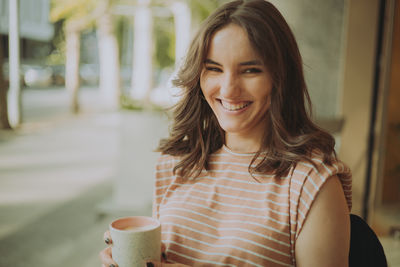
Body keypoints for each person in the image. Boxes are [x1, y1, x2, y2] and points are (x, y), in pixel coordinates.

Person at [100, 0, 352, 266]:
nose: (229, 89)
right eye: (214, 69)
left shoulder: (312, 183)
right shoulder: (175, 163)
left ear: (280, 77)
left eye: (250, 70)